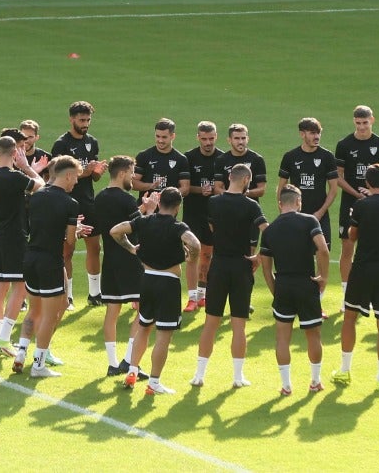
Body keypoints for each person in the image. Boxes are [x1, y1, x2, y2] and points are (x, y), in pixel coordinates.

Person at [115, 188, 200, 396]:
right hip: (168, 284)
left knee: (143, 327)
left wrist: (131, 248)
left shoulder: (144, 221)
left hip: (147, 281)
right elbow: (195, 243)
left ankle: (132, 371)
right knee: (163, 335)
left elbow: (116, 230)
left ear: (160, 203)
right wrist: (191, 257)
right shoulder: (178, 227)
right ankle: (153, 384)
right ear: (178, 207)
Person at [190, 163, 265, 389]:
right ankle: (238, 377)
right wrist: (260, 256)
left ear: (230, 177)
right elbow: (268, 231)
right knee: (238, 324)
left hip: (219, 266)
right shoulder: (251, 205)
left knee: (210, 322)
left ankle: (199, 375)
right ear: (246, 180)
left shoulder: (213, 202)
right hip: (242, 267)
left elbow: (213, 229)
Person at [332, 164, 379, 390]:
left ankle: (345, 370)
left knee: (350, 317)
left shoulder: (361, 205)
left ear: (367, 183)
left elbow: (352, 236)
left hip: (362, 268)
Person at [15, 156, 89, 378]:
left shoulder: (36, 196)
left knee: (33, 311)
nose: (76, 182)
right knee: (49, 315)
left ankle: (20, 354)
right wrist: (75, 232)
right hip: (50, 262)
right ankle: (38, 365)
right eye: (75, 177)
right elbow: (70, 241)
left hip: (30, 258)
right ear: (68, 175)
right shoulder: (70, 203)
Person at [260, 184, 331, 396]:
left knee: (282, 338)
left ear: (280, 204)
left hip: (283, 285)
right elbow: (323, 250)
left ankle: (286, 386)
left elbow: (266, 269)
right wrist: (323, 276)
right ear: (299, 202)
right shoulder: (310, 221)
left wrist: (276, 290)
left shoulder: (270, 230)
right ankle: (315, 382)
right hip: (306, 284)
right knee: (313, 335)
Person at [0, 135, 44, 356]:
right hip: (16, 237)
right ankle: (4, 339)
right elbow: (43, 187)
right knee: (20, 288)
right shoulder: (16, 177)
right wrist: (27, 167)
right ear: (14, 153)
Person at [95, 156, 147, 375]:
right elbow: (138, 226)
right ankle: (129, 360)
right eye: (132, 172)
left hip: (109, 261)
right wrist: (148, 210)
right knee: (145, 310)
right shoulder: (126, 199)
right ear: (123, 173)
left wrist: (141, 208)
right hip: (130, 260)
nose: (133, 177)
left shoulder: (99, 197)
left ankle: (113, 363)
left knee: (112, 311)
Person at [50, 101, 105, 307]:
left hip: (88, 202)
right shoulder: (61, 145)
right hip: (66, 203)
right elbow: (56, 176)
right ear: (71, 119)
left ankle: (95, 294)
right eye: (82, 120)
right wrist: (85, 171)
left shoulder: (92, 142)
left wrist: (97, 172)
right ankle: (68, 296)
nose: (85, 124)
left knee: (95, 247)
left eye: (88, 120)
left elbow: (94, 177)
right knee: (67, 251)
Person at [334, 105, 379, 291]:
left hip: (375, 203)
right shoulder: (344, 145)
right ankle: (346, 292)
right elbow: (338, 177)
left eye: (365, 123)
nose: (361, 127)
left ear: (372, 120)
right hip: (350, 202)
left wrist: (374, 192)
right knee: (347, 247)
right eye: (358, 123)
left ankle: (368, 290)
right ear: (354, 121)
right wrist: (357, 194)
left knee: (371, 247)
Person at [278, 118, 338, 270]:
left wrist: (320, 212)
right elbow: (281, 187)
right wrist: (284, 212)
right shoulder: (290, 157)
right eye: (312, 133)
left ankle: (321, 285)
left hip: (320, 215)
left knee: (323, 252)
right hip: (296, 214)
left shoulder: (327, 157)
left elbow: (333, 189)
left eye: (318, 133)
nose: (316, 137)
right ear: (302, 134)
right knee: (296, 252)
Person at [181, 120, 225, 312]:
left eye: (211, 138)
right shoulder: (188, 158)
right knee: (192, 254)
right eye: (204, 139)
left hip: (215, 214)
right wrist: (201, 190)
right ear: (198, 137)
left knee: (207, 255)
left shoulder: (223, 158)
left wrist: (216, 190)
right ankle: (191, 298)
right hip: (193, 212)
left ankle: (202, 295)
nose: (208, 143)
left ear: (216, 137)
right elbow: (184, 186)